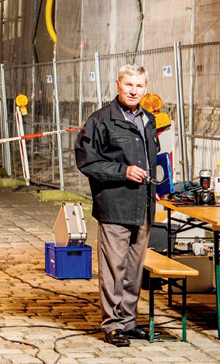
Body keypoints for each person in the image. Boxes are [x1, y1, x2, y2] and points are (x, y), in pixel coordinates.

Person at [75, 64, 159, 347]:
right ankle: (113, 325)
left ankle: (129, 321)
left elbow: (152, 160)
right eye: (129, 85)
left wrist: (155, 189)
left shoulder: (148, 119)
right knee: (114, 269)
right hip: (115, 205)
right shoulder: (100, 120)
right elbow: (88, 162)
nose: (134, 90)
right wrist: (123, 171)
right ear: (118, 85)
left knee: (135, 269)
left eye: (140, 86)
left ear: (145, 88)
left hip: (143, 206)